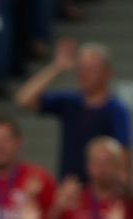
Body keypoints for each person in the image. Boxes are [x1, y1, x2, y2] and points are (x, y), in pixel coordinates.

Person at [16, 39, 130, 182]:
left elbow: (123, 155)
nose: (84, 75)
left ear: (106, 73)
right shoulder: (70, 102)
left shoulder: (116, 109)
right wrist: (57, 68)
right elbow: (24, 99)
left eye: (91, 70)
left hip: (100, 189)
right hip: (69, 189)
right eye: (81, 69)